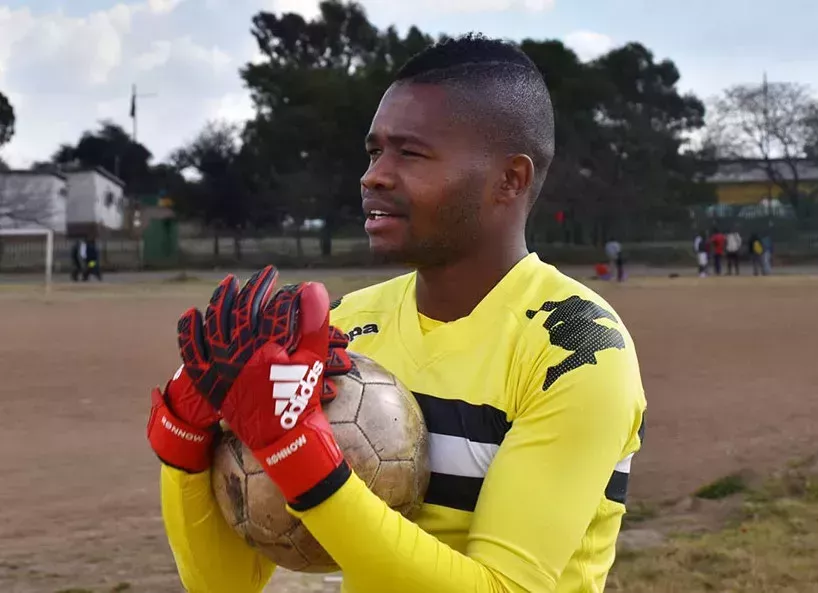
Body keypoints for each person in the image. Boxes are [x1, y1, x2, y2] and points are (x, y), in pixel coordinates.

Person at [147, 34, 648, 593]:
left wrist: (302, 459)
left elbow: (507, 587)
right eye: (373, 151)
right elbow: (226, 584)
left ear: (510, 179)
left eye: (409, 153)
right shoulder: (341, 333)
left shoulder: (576, 348)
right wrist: (185, 447)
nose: (374, 176)